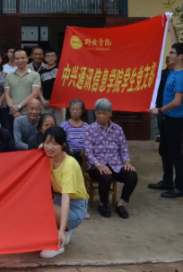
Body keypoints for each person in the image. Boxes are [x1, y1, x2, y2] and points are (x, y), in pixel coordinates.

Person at [149, 40, 183, 198]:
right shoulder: (175, 69)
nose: (169, 55)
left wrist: (160, 109)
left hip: (175, 120)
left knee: (175, 154)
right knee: (165, 151)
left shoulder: (182, 75)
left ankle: (180, 188)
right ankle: (167, 182)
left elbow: (177, 101)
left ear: (180, 57)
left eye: (172, 53)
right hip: (167, 118)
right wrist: (170, 26)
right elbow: (177, 43)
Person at [39, 126, 89, 259]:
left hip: (75, 208)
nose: (50, 147)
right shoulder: (49, 156)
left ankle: (60, 240)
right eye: (47, 143)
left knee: (43, 208)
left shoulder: (69, 164)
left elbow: (66, 198)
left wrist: (61, 231)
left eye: (55, 144)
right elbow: (41, 148)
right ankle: (64, 229)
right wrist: (43, 146)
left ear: (63, 145)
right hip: (60, 201)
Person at [84, 98, 138, 219]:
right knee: (106, 177)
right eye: (98, 113)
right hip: (96, 165)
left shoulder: (117, 129)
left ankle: (121, 204)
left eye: (104, 113)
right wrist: (98, 165)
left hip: (116, 164)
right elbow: (88, 152)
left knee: (132, 175)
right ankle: (103, 204)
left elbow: (123, 148)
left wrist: (127, 162)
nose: (101, 116)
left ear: (110, 113)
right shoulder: (89, 129)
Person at [154, 23, 179, 141]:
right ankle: (163, 138)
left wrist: (171, 28)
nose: (170, 61)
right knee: (161, 124)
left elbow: (178, 49)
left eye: (171, 59)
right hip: (161, 104)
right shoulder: (161, 74)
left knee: (174, 127)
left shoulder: (179, 73)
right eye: (167, 60)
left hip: (174, 104)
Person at [4, 47, 41, 119]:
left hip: (30, 113)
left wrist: (19, 106)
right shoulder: (8, 76)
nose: (20, 60)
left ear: (27, 59)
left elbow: (35, 93)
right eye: (17, 58)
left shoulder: (35, 75)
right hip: (13, 113)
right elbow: (7, 95)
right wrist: (13, 108)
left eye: (23, 58)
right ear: (14, 60)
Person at [60, 99, 89, 163]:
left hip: (82, 154)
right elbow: (61, 140)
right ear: (69, 110)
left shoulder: (86, 126)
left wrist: (84, 149)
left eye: (77, 109)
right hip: (68, 153)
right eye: (72, 109)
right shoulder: (64, 125)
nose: (75, 112)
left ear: (82, 111)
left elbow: (88, 141)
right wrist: (67, 149)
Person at [39, 48, 63, 123]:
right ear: (44, 58)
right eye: (48, 56)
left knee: (59, 123)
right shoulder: (41, 72)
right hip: (46, 102)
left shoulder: (61, 69)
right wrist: (43, 101)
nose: (50, 58)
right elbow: (38, 88)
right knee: (45, 122)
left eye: (52, 56)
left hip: (59, 101)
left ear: (56, 57)